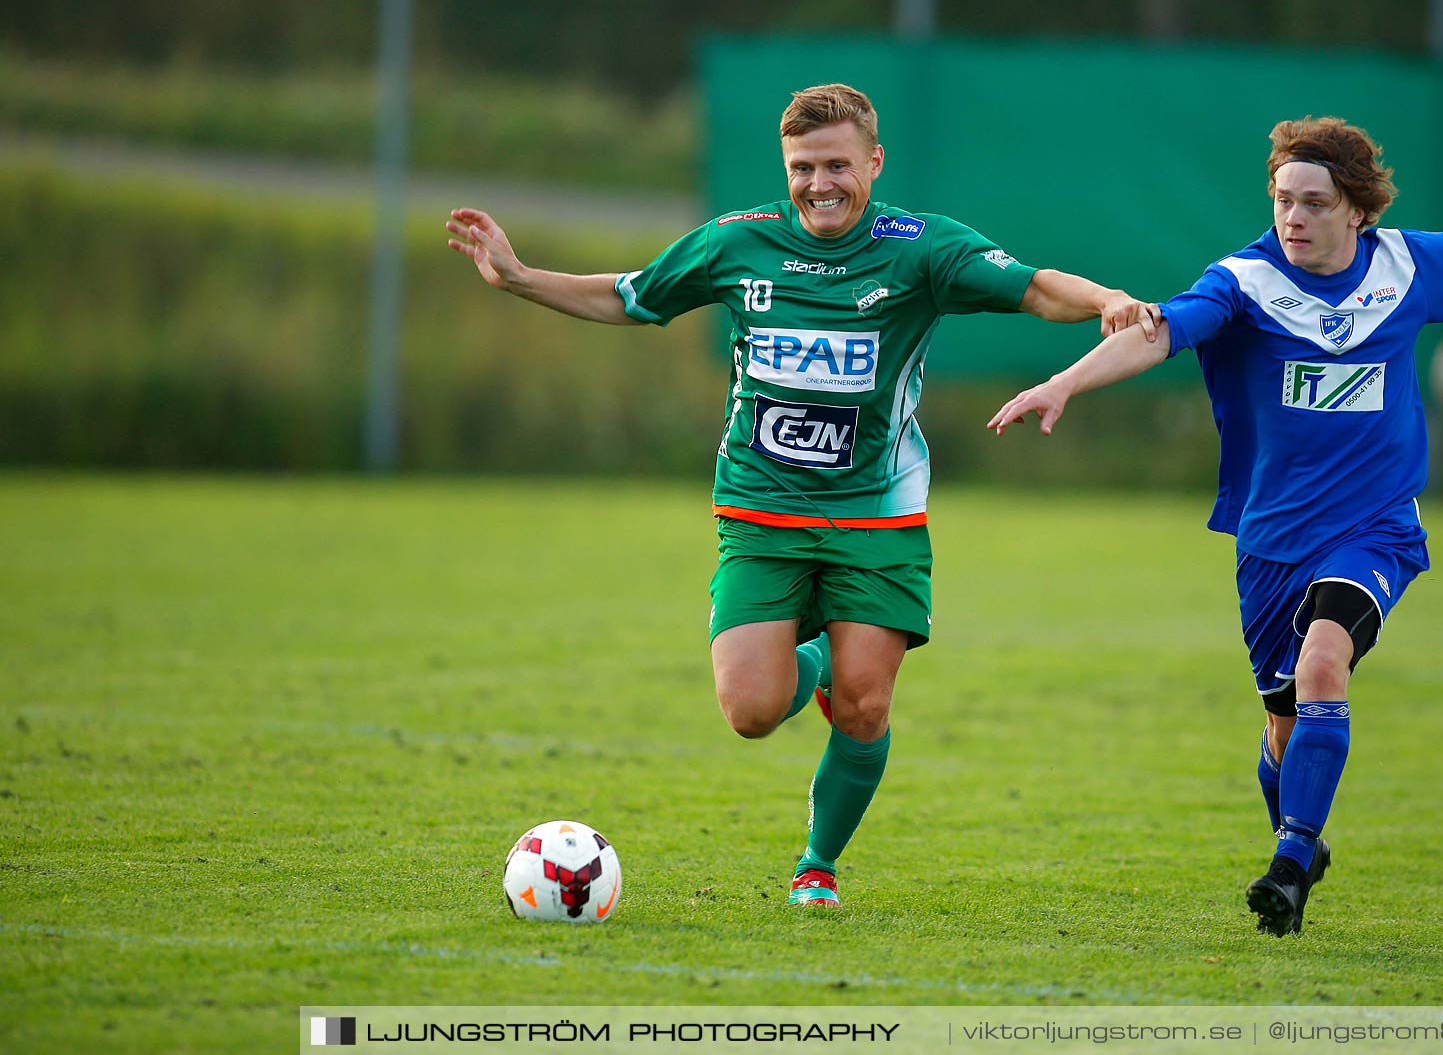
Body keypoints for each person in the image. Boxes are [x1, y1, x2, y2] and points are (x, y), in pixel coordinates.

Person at [446, 83, 1155, 908]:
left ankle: (816, 865)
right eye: (803, 168)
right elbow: (631, 296)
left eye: (837, 166)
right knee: (750, 710)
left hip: (875, 514)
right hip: (760, 512)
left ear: (874, 163)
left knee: (863, 704)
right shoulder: (736, 243)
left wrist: (1106, 300)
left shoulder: (920, 249)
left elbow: (1032, 287)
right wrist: (522, 278)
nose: (820, 184)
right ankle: (809, 657)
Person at [987, 116, 1443, 936]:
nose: (1292, 218)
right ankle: (1298, 837)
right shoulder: (1243, 282)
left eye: (1312, 203)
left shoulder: (1408, 265)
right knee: (1282, 723)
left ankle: (1292, 862)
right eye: (1281, 201)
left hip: (1375, 526)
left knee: (1324, 661)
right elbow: (1154, 334)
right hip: (1271, 538)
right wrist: (1064, 384)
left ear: (1357, 212)